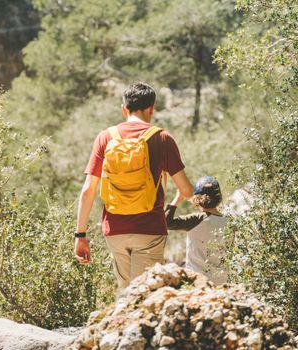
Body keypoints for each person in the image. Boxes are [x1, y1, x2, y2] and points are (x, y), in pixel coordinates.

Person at [74, 82, 193, 291]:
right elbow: (186, 190)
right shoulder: (162, 138)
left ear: (124, 109)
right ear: (151, 109)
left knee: (125, 292)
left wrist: (80, 236)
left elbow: (88, 191)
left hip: (115, 230)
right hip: (149, 229)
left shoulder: (105, 137)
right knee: (146, 293)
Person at [165, 176, 228, 284]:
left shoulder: (197, 220)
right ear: (219, 198)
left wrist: (178, 198)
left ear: (197, 199)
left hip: (197, 281)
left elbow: (166, 222)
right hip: (222, 281)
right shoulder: (228, 222)